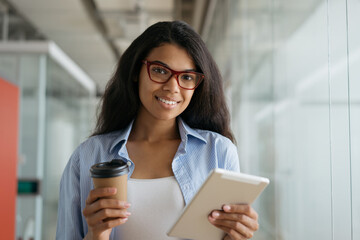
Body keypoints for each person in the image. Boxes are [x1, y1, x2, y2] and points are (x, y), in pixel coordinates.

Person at [56, 20, 259, 240]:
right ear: (136, 72)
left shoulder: (218, 152)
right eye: (160, 71)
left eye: (187, 77)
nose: (173, 87)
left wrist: (237, 236)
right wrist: (97, 234)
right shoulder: (87, 157)